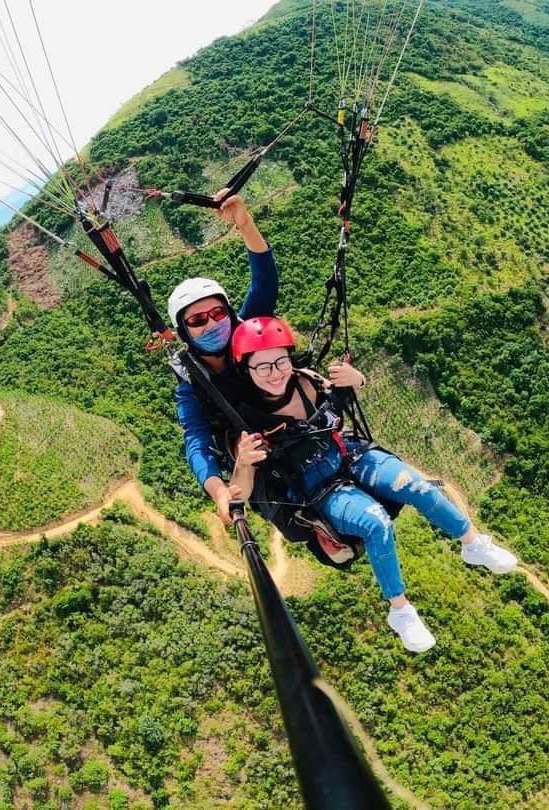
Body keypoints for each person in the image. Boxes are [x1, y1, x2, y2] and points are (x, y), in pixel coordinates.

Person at [226, 316, 518, 653]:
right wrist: (243, 462)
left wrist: (357, 379)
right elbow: (242, 493)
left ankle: (473, 543)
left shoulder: (307, 382)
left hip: (348, 453)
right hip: (319, 487)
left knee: (418, 486)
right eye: (262, 367)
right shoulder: (247, 422)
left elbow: (344, 391)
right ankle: (401, 610)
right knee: (376, 523)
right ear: (246, 371)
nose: (275, 372)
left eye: (281, 361)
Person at [168, 191, 278, 525]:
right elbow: (197, 441)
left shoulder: (246, 332)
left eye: (218, 313)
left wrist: (245, 224)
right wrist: (218, 490)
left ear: (230, 312)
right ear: (185, 333)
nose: (212, 323)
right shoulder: (193, 384)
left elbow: (265, 282)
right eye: (197, 321)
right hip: (254, 457)